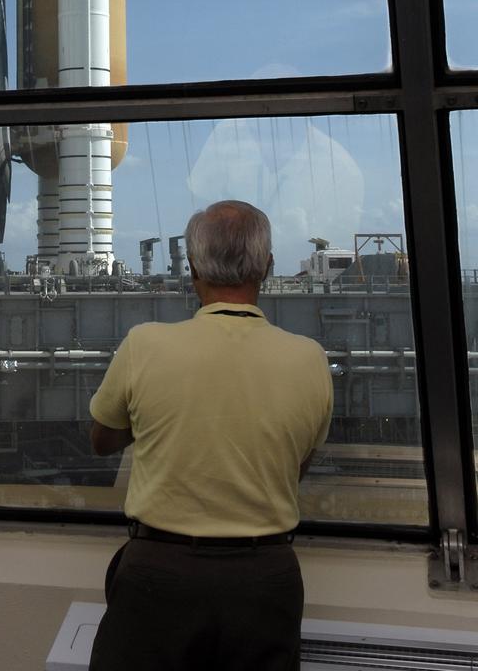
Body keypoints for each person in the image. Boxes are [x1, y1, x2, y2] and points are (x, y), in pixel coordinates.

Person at [88, 200, 333, 671]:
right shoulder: (310, 359)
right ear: (267, 267)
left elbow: (101, 440)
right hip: (267, 580)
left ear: (193, 268)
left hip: (158, 573)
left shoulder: (144, 344)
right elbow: (296, 466)